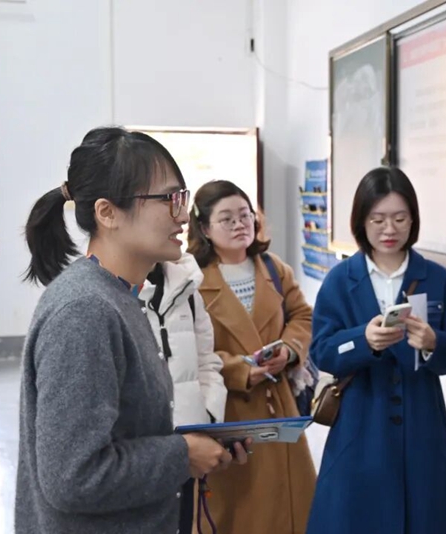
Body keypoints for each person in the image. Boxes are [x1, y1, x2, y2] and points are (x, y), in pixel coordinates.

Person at [16, 127, 247, 534]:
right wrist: (182, 455)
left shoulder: (121, 296)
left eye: (182, 198)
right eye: (168, 200)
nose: (182, 216)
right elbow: (73, 477)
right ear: (107, 213)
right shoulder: (84, 311)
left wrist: (200, 445)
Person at [306, 166, 446, 534]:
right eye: (378, 219)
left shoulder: (436, 277)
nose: (389, 229)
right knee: (355, 518)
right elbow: (321, 351)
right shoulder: (340, 280)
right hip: (359, 426)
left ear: (413, 220)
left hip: (422, 424)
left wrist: (433, 343)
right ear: (361, 221)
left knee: (425, 517)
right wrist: (362, 341)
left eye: (400, 218)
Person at [187, 179, 316, 534]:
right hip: (227, 412)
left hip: (279, 406)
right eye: (226, 219)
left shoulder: (274, 268)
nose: (239, 224)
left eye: (245, 215)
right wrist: (238, 369)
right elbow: (188, 348)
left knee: (288, 506)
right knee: (236, 510)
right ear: (204, 228)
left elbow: (302, 316)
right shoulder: (192, 280)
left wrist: (289, 349)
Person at [140, 252, 229, 533]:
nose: (178, 229)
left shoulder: (186, 285)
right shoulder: (109, 294)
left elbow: (207, 361)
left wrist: (208, 419)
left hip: (189, 450)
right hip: (140, 459)